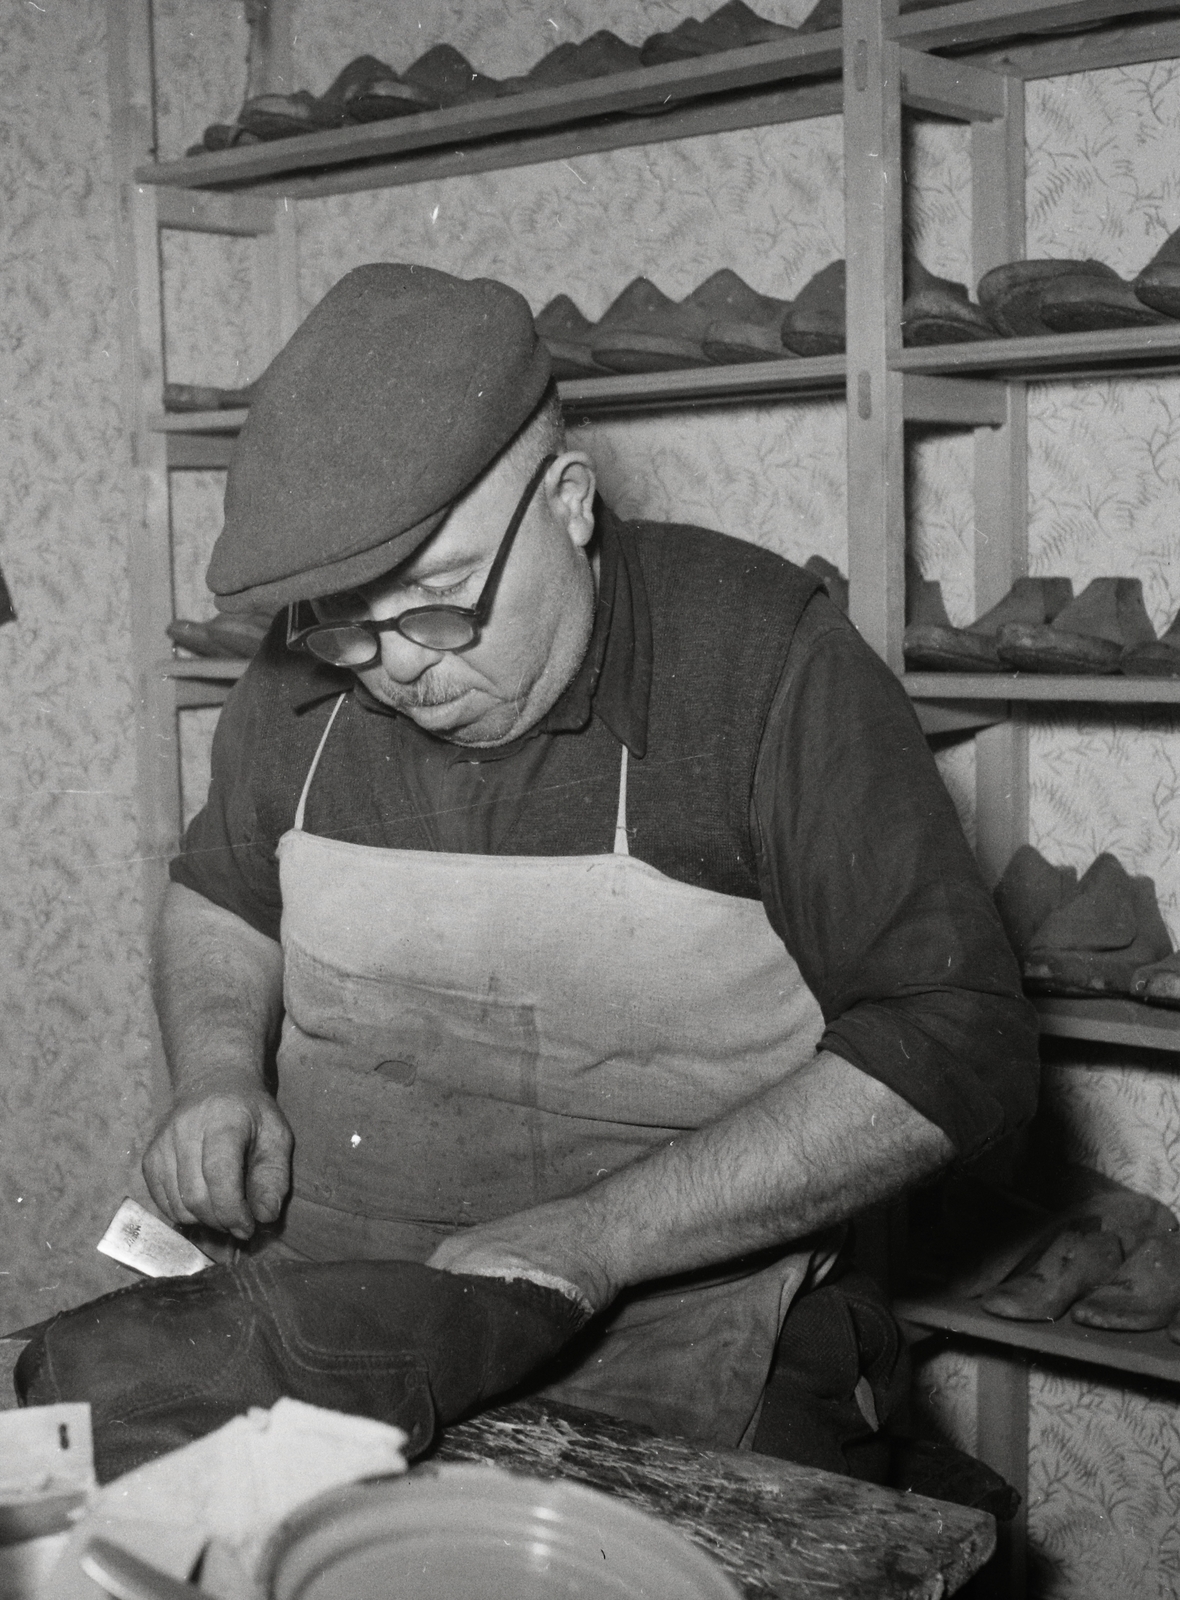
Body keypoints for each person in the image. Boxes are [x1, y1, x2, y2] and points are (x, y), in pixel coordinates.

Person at [143, 262, 1037, 1469]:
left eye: (440, 605)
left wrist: (608, 1232)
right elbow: (220, 895)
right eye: (348, 625)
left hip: (681, 1338)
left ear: (567, 501)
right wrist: (212, 1073)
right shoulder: (306, 670)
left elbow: (956, 1043)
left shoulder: (764, 664)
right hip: (345, 1315)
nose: (397, 667)